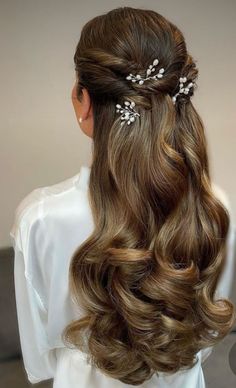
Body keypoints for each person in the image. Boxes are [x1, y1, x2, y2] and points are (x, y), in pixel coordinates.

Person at [10, 6, 236, 388]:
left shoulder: (40, 217)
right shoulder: (214, 205)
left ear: (82, 102)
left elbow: (40, 357)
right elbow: (206, 332)